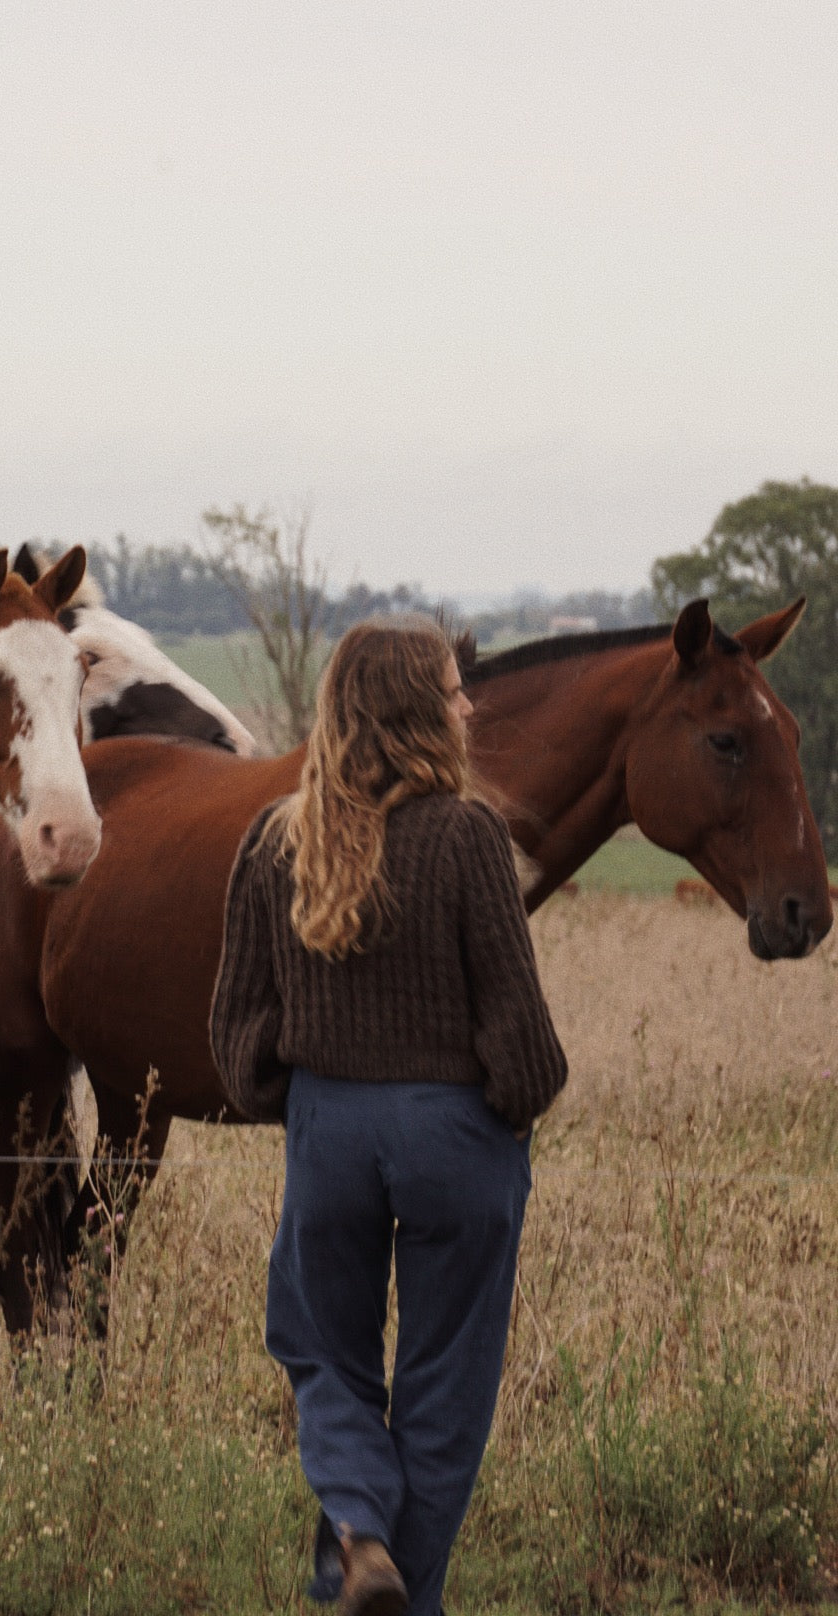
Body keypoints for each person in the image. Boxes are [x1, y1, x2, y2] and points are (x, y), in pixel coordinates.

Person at [209, 616, 568, 1616]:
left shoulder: (273, 842)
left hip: (329, 1132)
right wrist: (504, 1109)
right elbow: (522, 1040)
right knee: (445, 1385)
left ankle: (361, 1533)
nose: (467, 705)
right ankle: (398, 1592)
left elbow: (237, 1034)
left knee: (322, 1347)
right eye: (453, 689)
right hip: (453, 1132)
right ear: (414, 711)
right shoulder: (467, 836)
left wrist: (312, 1099)